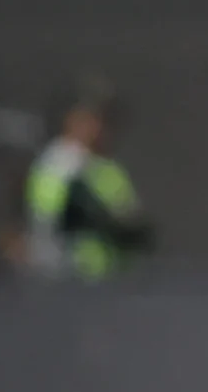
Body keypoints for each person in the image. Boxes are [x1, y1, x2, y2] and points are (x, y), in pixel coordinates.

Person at [24, 78, 148, 279]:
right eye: (94, 118)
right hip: (70, 280)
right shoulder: (54, 168)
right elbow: (50, 228)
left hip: (115, 278)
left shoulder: (107, 169)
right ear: (71, 119)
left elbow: (132, 223)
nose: (101, 127)